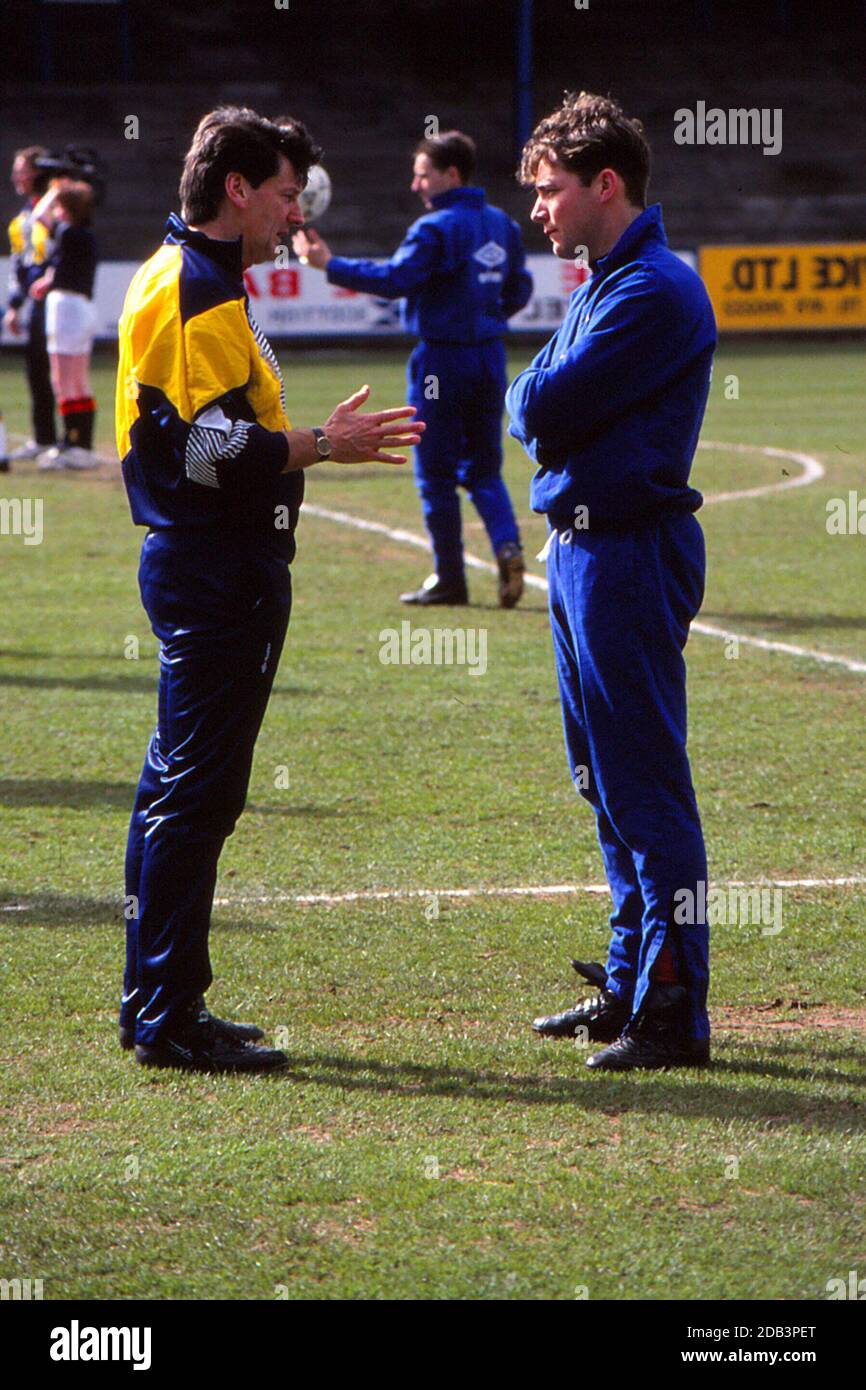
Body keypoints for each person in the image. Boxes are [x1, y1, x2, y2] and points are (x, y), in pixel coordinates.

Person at [116, 106, 423, 1074]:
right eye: (286, 193)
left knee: (176, 787)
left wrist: (301, 438)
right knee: (194, 794)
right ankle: (167, 1014)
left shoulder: (182, 273)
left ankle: (161, 999)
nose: (295, 213)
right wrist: (321, 445)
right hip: (215, 567)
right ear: (237, 187)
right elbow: (205, 450)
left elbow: (206, 430)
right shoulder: (198, 284)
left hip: (205, 562)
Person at [506, 93, 716, 1071]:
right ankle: (631, 984)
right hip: (584, 549)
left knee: (643, 787)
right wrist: (536, 400)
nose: (538, 211)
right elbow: (530, 397)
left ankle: (670, 1004)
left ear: (605, 183)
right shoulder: (604, 280)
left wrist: (538, 401)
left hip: (627, 551)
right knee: (601, 783)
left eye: (549, 191)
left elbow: (543, 397)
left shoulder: (653, 289)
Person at [293, 130, 533, 607]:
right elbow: (521, 289)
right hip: (489, 358)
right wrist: (487, 319)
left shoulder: (435, 228)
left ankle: (450, 579)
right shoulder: (502, 224)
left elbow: (396, 279)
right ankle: (507, 546)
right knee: (485, 469)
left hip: (440, 361)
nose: (415, 185)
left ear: (451, 175)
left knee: (435, 473)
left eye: (423, 174)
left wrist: (328, 264)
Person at [31, 181, 99, 469]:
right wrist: (50, 280)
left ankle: (71, 444)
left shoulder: (69, 231)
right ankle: (82, 443)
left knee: (63, 379)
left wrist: (55, 189)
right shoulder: (84, 235)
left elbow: (38, 216)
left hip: (67, 311)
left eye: (60, 206)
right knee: (79, 380)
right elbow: (66, 268)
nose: (55, 212)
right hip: (81, 309)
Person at [3, 146, 58, 459]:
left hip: (56, 299)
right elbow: (20, 264)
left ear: (36, 173)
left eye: (21, 170)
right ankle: (44, 438)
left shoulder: (55, 208)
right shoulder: (23, 217)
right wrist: (14, 305)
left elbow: (62, 250)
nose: (15, 177)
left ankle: (73, 442)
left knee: (61, 374)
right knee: (36, 369)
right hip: (35, 302)